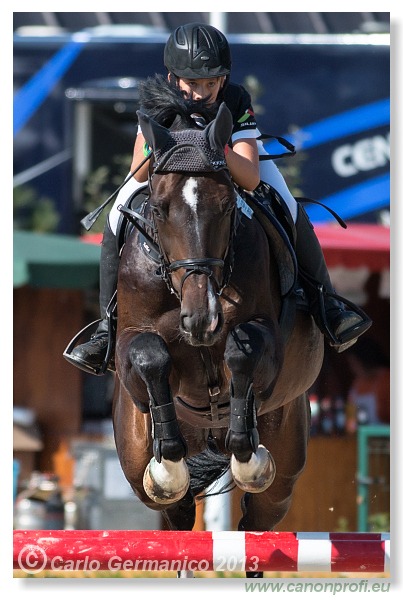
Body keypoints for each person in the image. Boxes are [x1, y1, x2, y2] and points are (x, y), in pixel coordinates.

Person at [67, 22, 371, 375]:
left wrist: (215, 148)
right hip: (168, 175)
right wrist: (166, 142)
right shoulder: (155, 99)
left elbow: (249, 174)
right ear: (173, 78)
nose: (201, 92)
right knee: (119, 213)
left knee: (287, 201)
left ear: (222, 80)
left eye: (210, 83)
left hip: (228, 169)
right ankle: (106, 329)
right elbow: (138, 172)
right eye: (193, 84)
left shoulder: (235, 99)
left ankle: (327, 304)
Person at [346, 338, 390, 425]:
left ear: (364, 360)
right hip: (362, 436)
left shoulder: (388, 379)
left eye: (354, 364)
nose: (352, 368)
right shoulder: (357, 384)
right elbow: (350, 418)